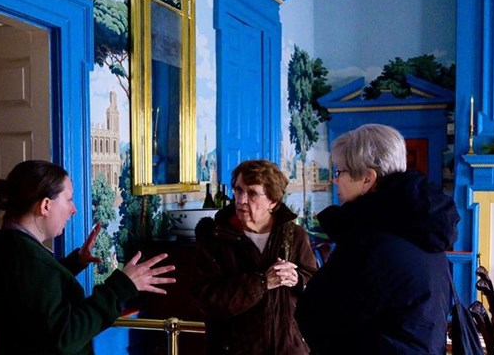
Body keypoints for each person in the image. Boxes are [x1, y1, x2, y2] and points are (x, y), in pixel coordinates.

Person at [295, 124, 460, 354]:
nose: (335, 181)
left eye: (339, 172)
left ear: (367, 178)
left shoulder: (371, 240)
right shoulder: (421, 223)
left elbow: (318, 315)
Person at [0, 160, 176, 355]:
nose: (73, 209)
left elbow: (33, 301)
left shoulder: (4, 247)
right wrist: (120, 287)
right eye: (68, 199)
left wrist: (74, 263)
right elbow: (64, 338)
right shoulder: (27, 260)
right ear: (45, 206)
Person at [191, 160, 317, 355]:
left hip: (288, 349)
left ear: (273, 202)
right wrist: (263, 282)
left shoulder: (294, 235)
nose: (241, 200)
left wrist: (297, 279)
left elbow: (314, 283)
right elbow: (208, 300)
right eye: (238, 190)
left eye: (252, 193)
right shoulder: (214, 237)